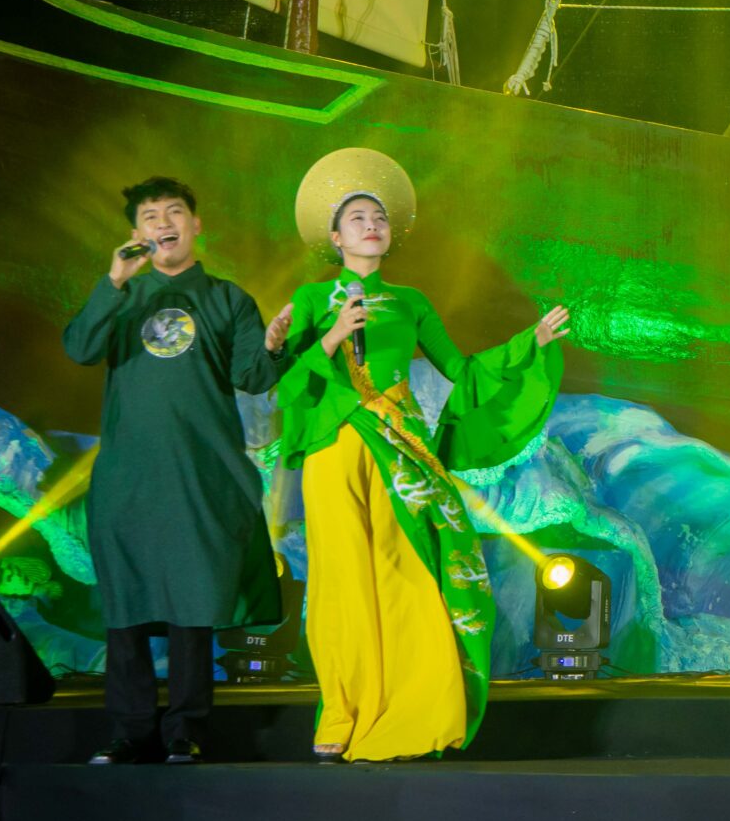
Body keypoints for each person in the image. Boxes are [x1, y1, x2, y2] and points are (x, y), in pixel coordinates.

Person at [275, 148, 570, 763]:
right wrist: (329, 336)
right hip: (334, 445)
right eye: (357, 218)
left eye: (379, 217)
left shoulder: (411, 302)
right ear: (335, 237)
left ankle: (415, 706)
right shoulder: (309, 299)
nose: (371, 224)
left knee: (406, 570)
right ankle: (341, 712)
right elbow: (288, 383)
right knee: (340, 581)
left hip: (400, 447)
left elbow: (462, 373)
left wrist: (529, 344)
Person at [63, 176, 292, 766]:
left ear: (196, 226)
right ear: (135, 233)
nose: (163, 223)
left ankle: (184, 729)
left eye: (174, 213)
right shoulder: (123, 295)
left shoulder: (227, 299)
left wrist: (273, 345)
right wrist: (113, 281)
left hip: (201, 475)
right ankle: (130, 731)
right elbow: (80, 348)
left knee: (194, 601)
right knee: (127, 605)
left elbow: (253, 377)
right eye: (150, 217)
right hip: (129, 477)